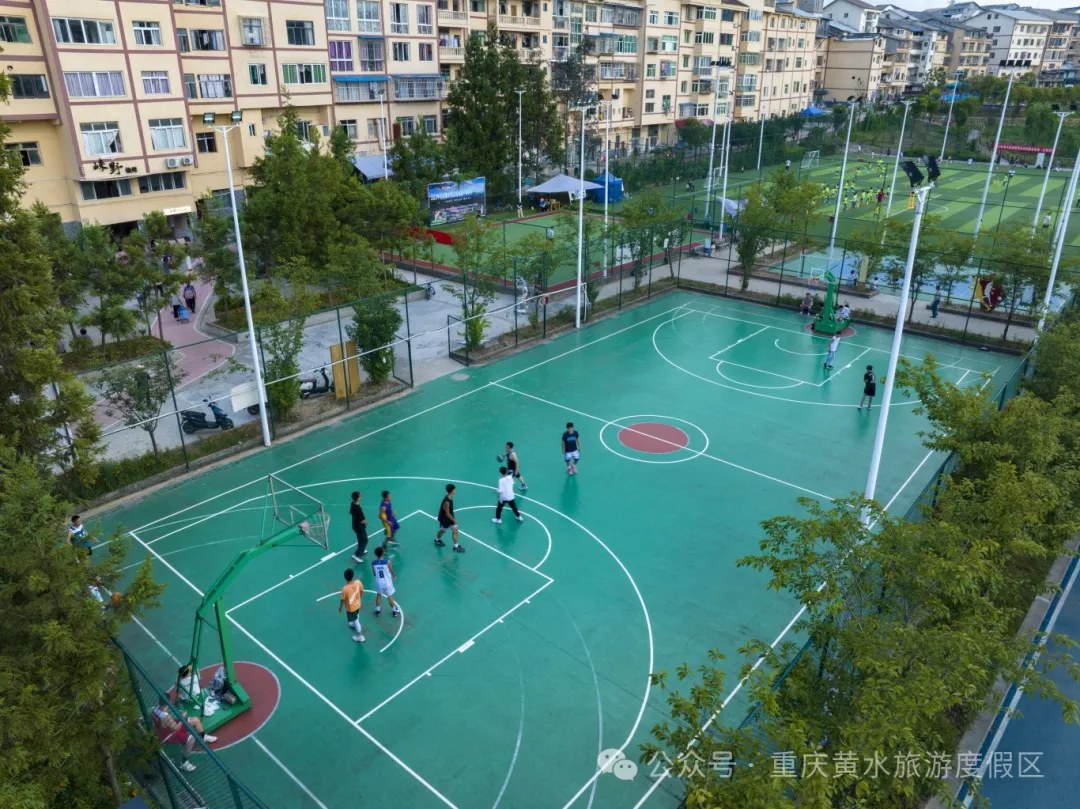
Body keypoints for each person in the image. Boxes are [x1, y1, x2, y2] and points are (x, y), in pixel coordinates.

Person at [152, 698, 217, 771]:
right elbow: (176, 728)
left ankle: (203, 737)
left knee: (195, 720)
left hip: (167, 728)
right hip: (168, 735)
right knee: (191, 739)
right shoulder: (166, 716)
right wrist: (182, 717)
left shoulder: (156, 709)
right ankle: (184, 763)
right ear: (166, 703)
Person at [338, 568, 365, 642]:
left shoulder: (345, 589)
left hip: (351, 608)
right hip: (358, 604)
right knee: (356, 615)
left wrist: (340, 608)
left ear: (345, 577)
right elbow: (362, 590)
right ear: (353, 575)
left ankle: (360, 636)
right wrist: (360, 598)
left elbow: (343, 600)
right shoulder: (358, 582)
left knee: (356, 620)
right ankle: (354, 623)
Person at [434, 483, 464, 552]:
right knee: (442, 530)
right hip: (445, 519)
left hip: (449, 518)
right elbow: (447, 513)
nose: (455, 490)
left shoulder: (450, 497)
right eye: (454, 489)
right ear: (452, 491)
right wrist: (454, 520)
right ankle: (437, 540)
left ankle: (456, 547)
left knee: (455, 530)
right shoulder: (447, 502)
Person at [371, 546, 399, 618]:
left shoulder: (373, 563)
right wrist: (394, 576)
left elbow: (374, 574)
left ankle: (377, 610)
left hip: (379, 583)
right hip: (387, 583)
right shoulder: (387, 562)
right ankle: (394, 611)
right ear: (383, 553)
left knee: (379, 595)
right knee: (390, 596)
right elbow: (391, 570)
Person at [350, 491, 368, 563]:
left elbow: (352, 513)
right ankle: (356, 555)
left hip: (355, 525)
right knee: (363, 540)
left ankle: (361, 550)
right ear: (357, 498)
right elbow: (361, 519)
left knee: (363, 539)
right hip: (359, 527)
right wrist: (365, 522)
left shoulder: (353, 503)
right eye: (360, 496)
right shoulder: (357, 508)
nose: (361, 497)